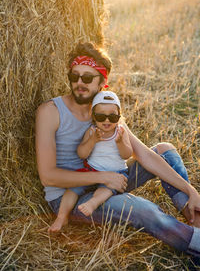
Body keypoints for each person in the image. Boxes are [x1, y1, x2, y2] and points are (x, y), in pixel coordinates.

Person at [36, 42, 200, 257]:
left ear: (103, 82)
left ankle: (194, 216)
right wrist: (105, 177)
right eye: (74, 76)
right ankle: (195, 243)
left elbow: (145, 156)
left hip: (109, 182)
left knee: (164, 151)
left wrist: (191, 190)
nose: (79, 83)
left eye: (87, 78)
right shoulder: (50, 111)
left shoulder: (106, 112)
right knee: (142, 210)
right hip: (70, 198)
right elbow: (48, 177)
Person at [48, 91, 133, 232]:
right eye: (101, 116)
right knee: (72, 189)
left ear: (118, 116)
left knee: (105, 190)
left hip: (115, 173)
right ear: (94, 117)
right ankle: (61, 217)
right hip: (91, 170)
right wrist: (92, 140)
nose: (107, 121)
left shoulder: (121, 132)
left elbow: (127, 155)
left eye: (112, 116)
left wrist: (120, 143)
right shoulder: (91, 131)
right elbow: (82, 153)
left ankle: (93, 203)